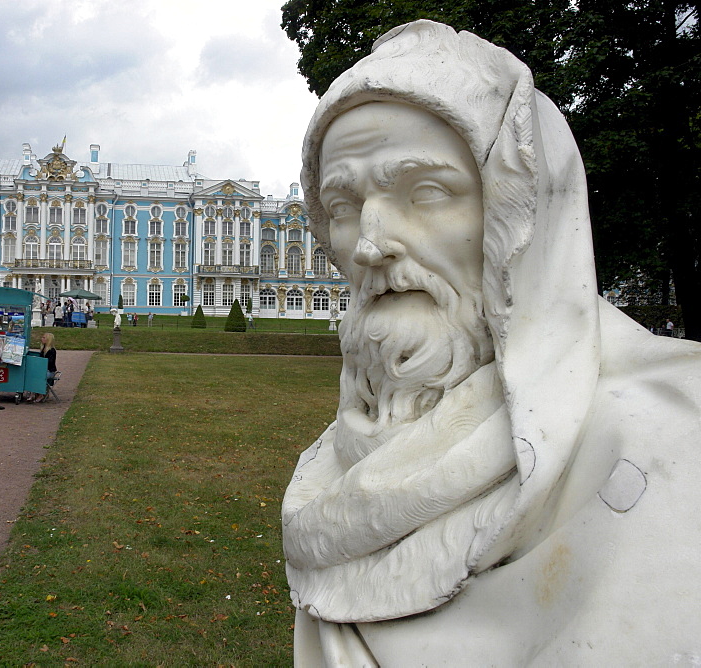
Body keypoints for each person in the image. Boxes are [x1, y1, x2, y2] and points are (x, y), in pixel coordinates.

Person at [283, 20, 701, 666]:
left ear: (522, 211)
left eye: (425, 192)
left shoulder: (674, 444)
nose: (369, 244)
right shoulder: (341, 459)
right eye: (341, 206)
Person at [28, 332, 58, 403]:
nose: (42, 339)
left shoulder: (52, 350)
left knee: (39, 376)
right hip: (43, 370)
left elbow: (50, 362)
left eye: (44, 338)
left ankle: (40, 394)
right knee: (32, 375)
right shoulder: (43, 349)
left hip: (50, 371)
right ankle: (32, 393)